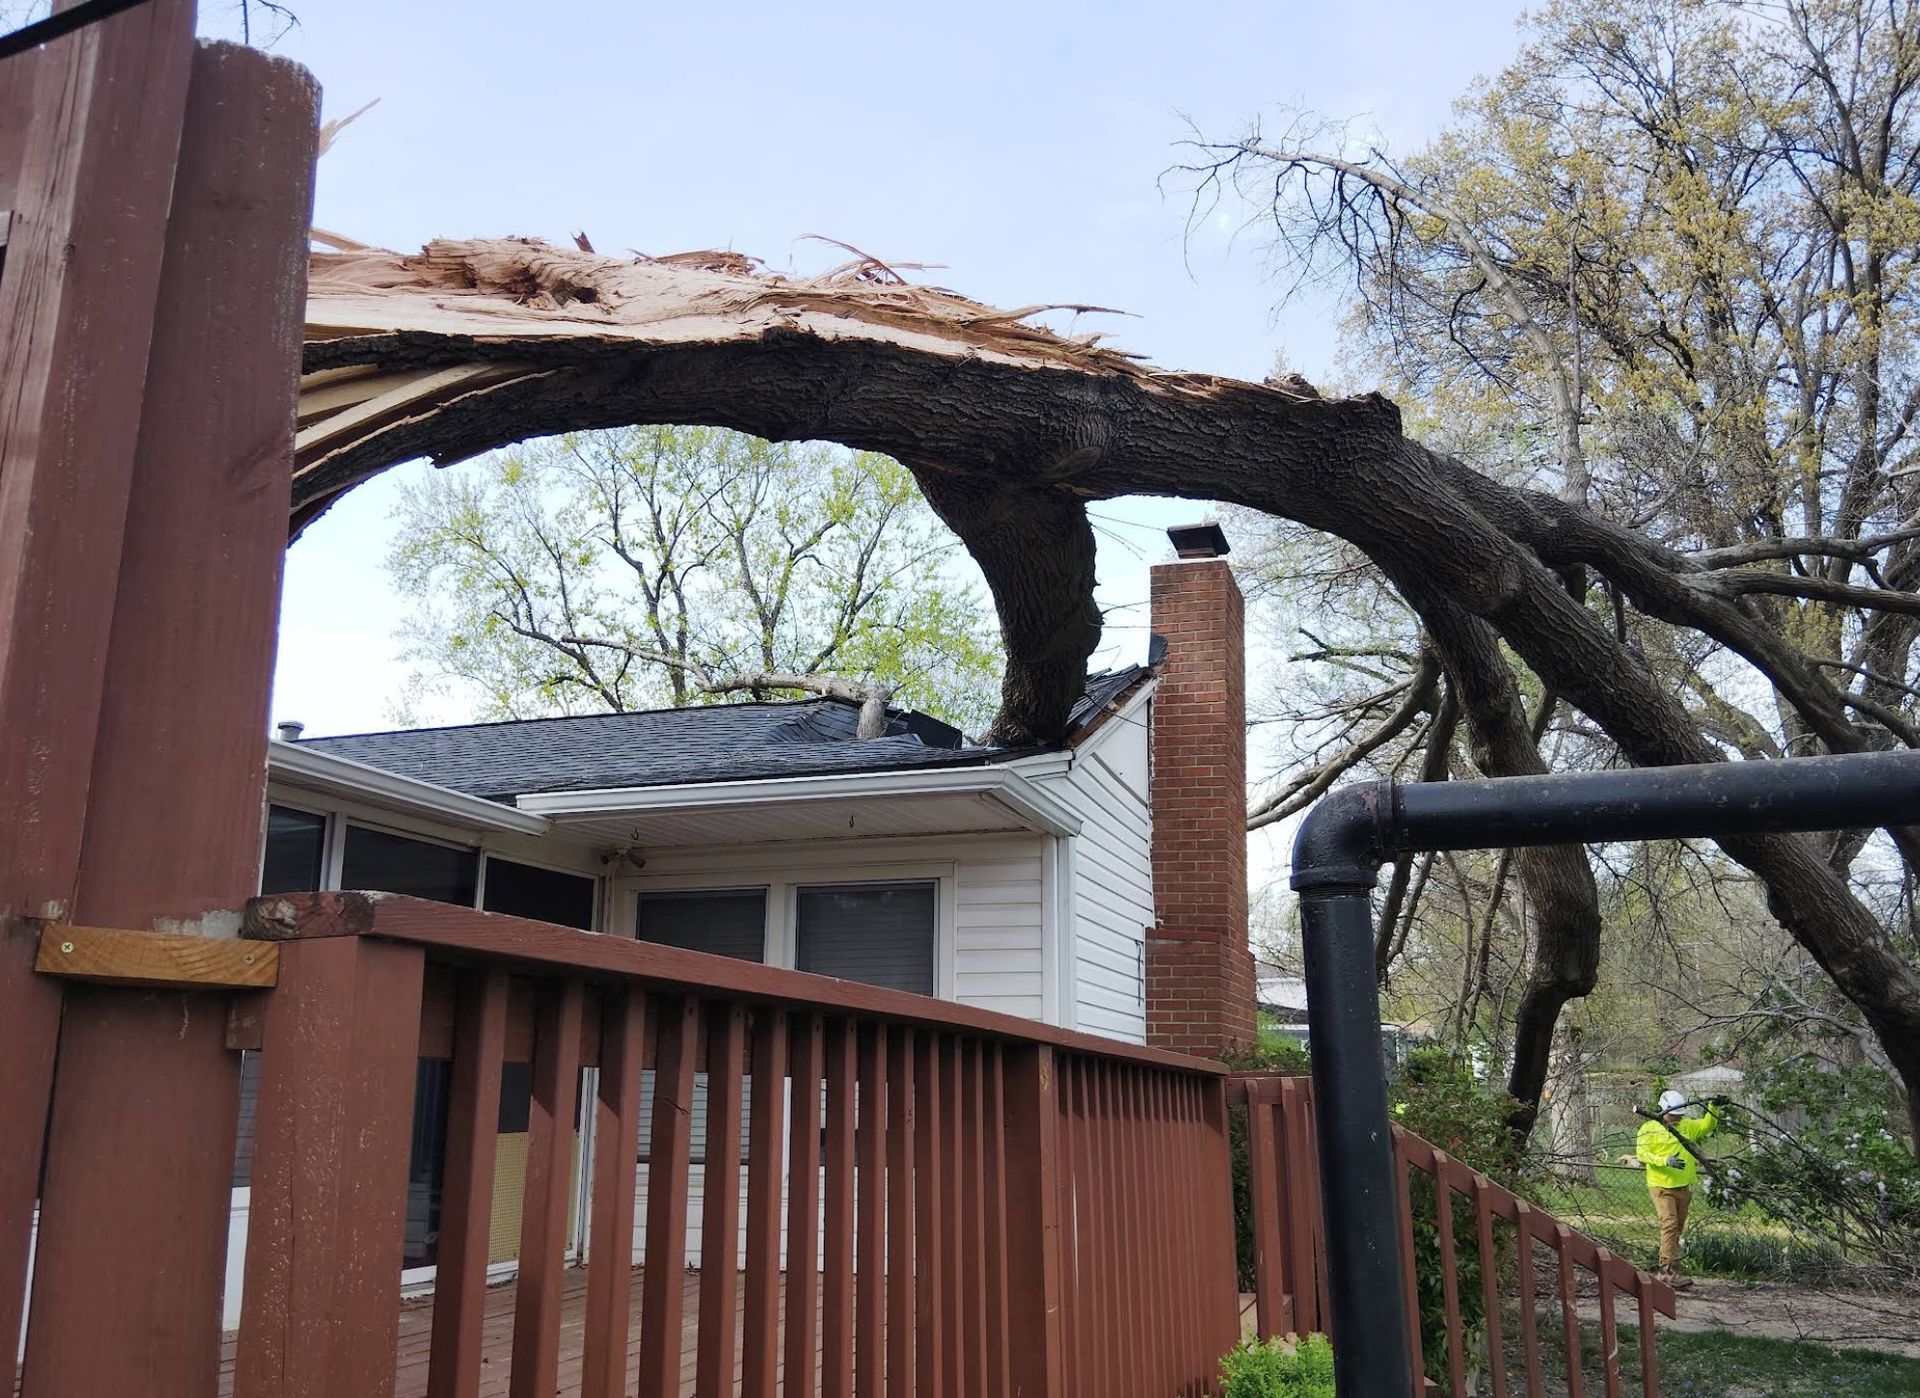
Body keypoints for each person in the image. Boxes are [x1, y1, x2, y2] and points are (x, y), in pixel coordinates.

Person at [1636, 1089, 1726, 1285]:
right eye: (1673, 1115)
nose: (1676, 1118)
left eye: (1679, 1115)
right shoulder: (1649, 1129)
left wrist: (1714, 1108)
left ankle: (1670, 1266)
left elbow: (1706, 1125)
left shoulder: (1686, 1127)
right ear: (1663, 1110)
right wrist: (1664, 1160)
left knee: (1676, 1228)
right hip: (1661, 1186)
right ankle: (1666, 1271)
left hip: (1683, 1186)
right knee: (1669, 1224)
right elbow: (1642, 1154)